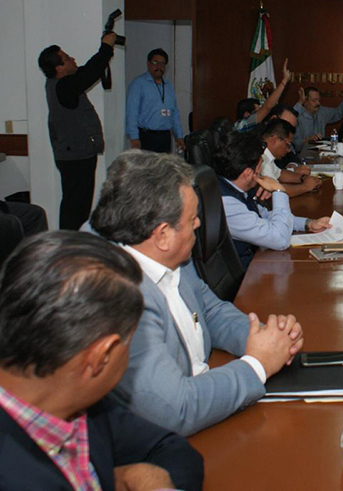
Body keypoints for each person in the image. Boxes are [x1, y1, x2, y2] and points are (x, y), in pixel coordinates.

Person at [90, 150, 304, 436]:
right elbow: (177, 409)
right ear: (162, 235)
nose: (199, 224)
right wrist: (258, 364)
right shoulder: (117, 297)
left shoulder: (167, 254)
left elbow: (210, 310)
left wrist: (265, 338)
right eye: (192, 219)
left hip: (209, 400)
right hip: (166, 438)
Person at [0, 231, 204, 490]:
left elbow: (172, 449)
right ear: (102, 357)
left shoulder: (79, 404)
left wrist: (144, 477)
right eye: (131, 344)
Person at [216, 125, 332, 269]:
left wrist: (308, 223)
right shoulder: (228, 204)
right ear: (248, 174)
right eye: (260, 167)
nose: (261, 172)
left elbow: (265, 216)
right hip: (246, 275)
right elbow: (280, 240)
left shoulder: (237, 188)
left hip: (256, 261)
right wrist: (279, 191)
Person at [38, 33, 116, 231]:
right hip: (76, 157)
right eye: (67, 58)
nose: (72, 59)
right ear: (59, 68)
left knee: (76, 205)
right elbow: (90, 73)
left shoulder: (62, 84)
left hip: (74, 154)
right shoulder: (64, 86)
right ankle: (70, 245)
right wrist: (106, 47)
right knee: (75, 207)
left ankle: (74, 243)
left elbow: (88, 70)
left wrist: (104, 51)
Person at [250, 105, 321, 197]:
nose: (288, 150)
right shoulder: (261, 156)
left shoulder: (268, 155)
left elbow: (280, 173)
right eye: (287, 145)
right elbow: (276, 190)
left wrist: (302, 178)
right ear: (275, 139)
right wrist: (305, 186)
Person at [126, 48, 185, 153]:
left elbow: (175, 113)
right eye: (155, 63)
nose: (159, 67)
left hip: (166, 137)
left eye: (162, 64)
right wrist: (134, 138)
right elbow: (132, 113)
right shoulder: (138, 84)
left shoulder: (168, 86)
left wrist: (179, 136)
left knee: (165, 164)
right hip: (146, 137)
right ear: (148, 64)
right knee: (148, 164)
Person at [233, 59, 292, 133]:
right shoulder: (240, 127)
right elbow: (267, 107)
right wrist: (284, 80)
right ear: (246, 115)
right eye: (256, 112)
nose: (261, 114)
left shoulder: (257, 128)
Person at [292, 84, 343, 152]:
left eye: (319, 100)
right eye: (314, 100)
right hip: (303, 155)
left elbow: (338, 113)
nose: (318, 103)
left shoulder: (322, 112)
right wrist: (308, 139)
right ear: (305, 102)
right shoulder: (298, 117)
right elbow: (296, 145)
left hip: (321, 153)